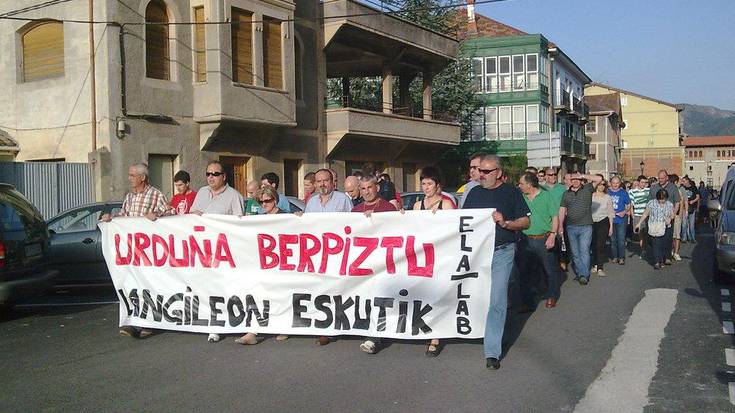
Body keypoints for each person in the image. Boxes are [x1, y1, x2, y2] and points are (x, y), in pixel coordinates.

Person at [462, 155, 530, 370]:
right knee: (476, 296)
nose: (480, 175)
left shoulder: (511, 193)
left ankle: (492, 351)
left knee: (498, 299)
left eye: (486, 171)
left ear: (498, 173)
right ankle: (476, 331)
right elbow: (460, 221)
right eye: (479, 170)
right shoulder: (473, 193)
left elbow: (525, 221)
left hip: (502, 252)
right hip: (477, 254)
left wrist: (506, 223)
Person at [100, 162, 173, 339]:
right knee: (133, 286)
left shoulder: (156, 195)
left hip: (150, 253)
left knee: (150, 286)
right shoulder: (130, 197)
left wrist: (158, 215)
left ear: (142, 177)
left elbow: (171, 214)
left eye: (132, 175)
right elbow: (125, 215)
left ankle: (151, 323)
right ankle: (134, 321)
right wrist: (112, 217)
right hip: (133, 253)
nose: (129, 178)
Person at [190, 160, 244, 343]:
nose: (211, 177)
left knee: (224, 289)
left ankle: (223, 323)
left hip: (224, 253)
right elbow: (190, 217)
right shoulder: (202, 193)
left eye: (215, 174)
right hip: (202, 251)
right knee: (206, 288)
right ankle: (211, 323)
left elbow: (239, 225)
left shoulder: (234, 196)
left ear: (224, 176)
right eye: (208, 174)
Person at [303, 168, 353, 345]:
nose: (322, 184)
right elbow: (306, 226)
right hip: (317, 254)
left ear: (332, 182)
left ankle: (335, 328)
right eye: (319, 181)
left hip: (338, 253)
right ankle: (324, 325)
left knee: (337, 291)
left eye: (325, 180)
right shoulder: (311, 202)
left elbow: (354, 224)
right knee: (321, 290)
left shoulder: (343, 200)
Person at [236, 186, 289, 345]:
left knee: (280, 296)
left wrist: (299, 217)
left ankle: (284, 327)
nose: (264, 204)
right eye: (261, 202)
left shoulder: (286, 216)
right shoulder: (260, 218)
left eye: (268, 201)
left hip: (281, 263)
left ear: (275, 200)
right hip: (264, 263)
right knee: (260, 295)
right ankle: (253, 332)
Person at [352, 176, 397, 355]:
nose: (366, 191)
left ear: (377, 187)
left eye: (369, 187)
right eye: (362, 188)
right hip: (363, 265)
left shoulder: (388, 208)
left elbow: (397, 232)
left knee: (380, 298)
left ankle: (374, 337)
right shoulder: (355, 211)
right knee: (366, 298)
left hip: (384, 262)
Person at [517, 172, 560, 310]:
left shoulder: (546, 196)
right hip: (525, 239)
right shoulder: (520, 197)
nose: (519, 186)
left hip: (544, 238)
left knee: (549, 269)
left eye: (521, 183)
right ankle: (527, 302)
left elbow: (555, 217)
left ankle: (551, 295)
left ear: (530, 185)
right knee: (524, 271)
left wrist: (553, 235)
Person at [558, 171, 603, 285]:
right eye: (573, 179)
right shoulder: (566, 194)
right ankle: (580, 273)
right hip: (571, 227)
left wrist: (583, 175)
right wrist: (560, 225)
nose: (575, 181)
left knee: (584, 250)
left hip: (585, 226)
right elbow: (562, 210)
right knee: (575, 253)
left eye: (577, 179)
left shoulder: (587, 189)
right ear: (570, 181)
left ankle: (584, 275)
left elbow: (599, 179)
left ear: (581, 180)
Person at [648, 170, 681, 265]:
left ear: (667, 178)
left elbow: (677, 202)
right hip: (656, 218)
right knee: (656, 238)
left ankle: (667, 257)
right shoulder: (654, 187)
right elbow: (649, 202)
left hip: (668, 217)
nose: (660, 180)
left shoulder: (673, 187)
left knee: (667, 238)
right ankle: (658, 257)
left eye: (662, 178)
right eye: (659, 178)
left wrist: (673, 214)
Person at [635, 189, 674, 269]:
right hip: (655, 226)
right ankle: (657, 262)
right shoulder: (651, 203)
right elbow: (645, 213)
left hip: (666, 227)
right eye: (660, 199)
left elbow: (672, 214)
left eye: (664, 199)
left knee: (663, 244)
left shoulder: (669, 204)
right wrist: (639, 223)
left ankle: (662, 259)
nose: (662, 201)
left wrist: (670, 218)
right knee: (656, 244)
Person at [591, 178, 614, 276]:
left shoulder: (607, 197)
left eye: (603, 184)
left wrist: (611, 227)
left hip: (603, 222)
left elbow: (610, 212)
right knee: (594, 244)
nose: (601, 186)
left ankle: (600, 268)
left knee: (601, 245)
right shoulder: (591, 196)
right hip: (592, 222)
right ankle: (595, 264)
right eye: (599, 184)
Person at [607, 176, 631, 265]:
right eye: (613, 183)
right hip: (610, 219)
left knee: (621, 239)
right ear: (610, 183)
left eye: (617, 183)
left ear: (620, 183)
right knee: (612, 240)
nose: (615, 185)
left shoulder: (623, 193)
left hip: (621, 219)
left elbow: (629, 204)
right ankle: (615, 257)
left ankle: (621, 258)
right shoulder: (607, 192)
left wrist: (624, 212)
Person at [629, 175, 651, 259]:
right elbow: (631, 205)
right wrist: (633, 216)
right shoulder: (632, 192)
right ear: (638, 182)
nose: (643, 184)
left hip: (648, 215)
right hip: (638, 215)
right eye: (642, 182)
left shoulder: (648, 190)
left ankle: (647, 248)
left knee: (647, 233)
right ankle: (643, 250)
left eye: (645, 182)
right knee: (640, 234)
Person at [681, 176, 700, 243]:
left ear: (687, 181)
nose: (682, 182)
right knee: (684, 224)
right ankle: (684, 238)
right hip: (684, 208)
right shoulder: (682, 188)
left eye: (684, 181)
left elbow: (698, 197)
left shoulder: (693, 187)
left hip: (692, 208)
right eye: (682, 181)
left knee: (691, 225)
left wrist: (693, 201)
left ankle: (692, 238)